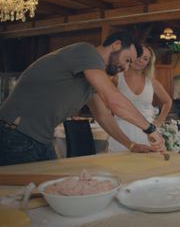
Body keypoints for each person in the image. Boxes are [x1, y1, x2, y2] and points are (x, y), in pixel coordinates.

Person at [0, 31, 165, 166]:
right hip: (16, 133)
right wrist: (150, 129)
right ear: (116, 45)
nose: (126, 67)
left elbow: (103, 116)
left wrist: (131, 144)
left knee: (51, 193)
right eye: (127, 60)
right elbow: (113, 100)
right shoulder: (85, 51)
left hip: (42, 139)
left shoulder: (90, 78)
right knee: (14, 197)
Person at [108, 44, 172, 152]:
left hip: (148, 132)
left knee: (147, 166)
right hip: (121, 131)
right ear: (132, 55)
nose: (140, 60)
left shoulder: (151, 81)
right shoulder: (116, 78)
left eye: (145, 59)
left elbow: (167, 101)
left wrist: (159, 122)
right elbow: (106, 102)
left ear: (148, 63)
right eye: (139, 55)